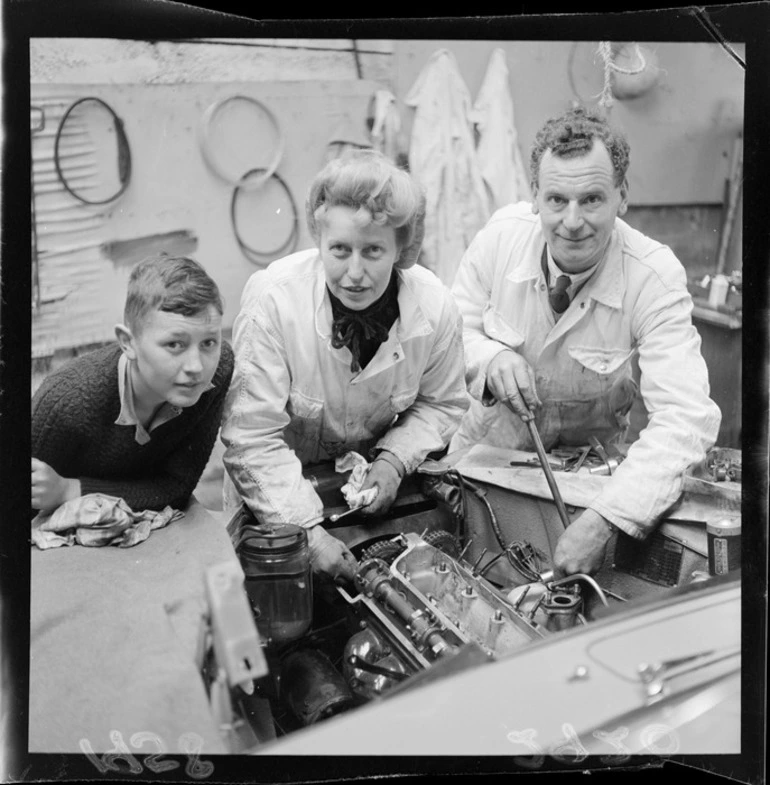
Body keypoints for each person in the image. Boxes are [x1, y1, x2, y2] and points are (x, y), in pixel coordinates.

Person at [450, 106, 721, 578]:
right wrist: (490, 356)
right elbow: (452, 334)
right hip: (484, 464)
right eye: (556, 199)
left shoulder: (653, 276)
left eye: (592, 199)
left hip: (590, 486)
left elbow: (686, 418)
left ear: (623, 197)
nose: (572, 221)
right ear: (534, 197)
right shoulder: (499, 239)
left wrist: (606, 520)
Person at [221, 149, 469, 582]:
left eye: (373, 250)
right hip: (275, 499)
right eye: (339, 249)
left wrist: (394, 461)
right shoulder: (273, 302)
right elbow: (250, 437)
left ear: (402, 248)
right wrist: (308, 534)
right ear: (318, 238)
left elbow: (442, 404)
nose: (354, 273)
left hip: (370, 502)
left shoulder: (434, 307)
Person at [31, 254, 234, 514]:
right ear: (128, 343)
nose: (196, 366)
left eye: (208, 342)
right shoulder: (67, 400)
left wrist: (69, 490)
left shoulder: (219, 369)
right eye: (175, 344)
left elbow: (177, 488)